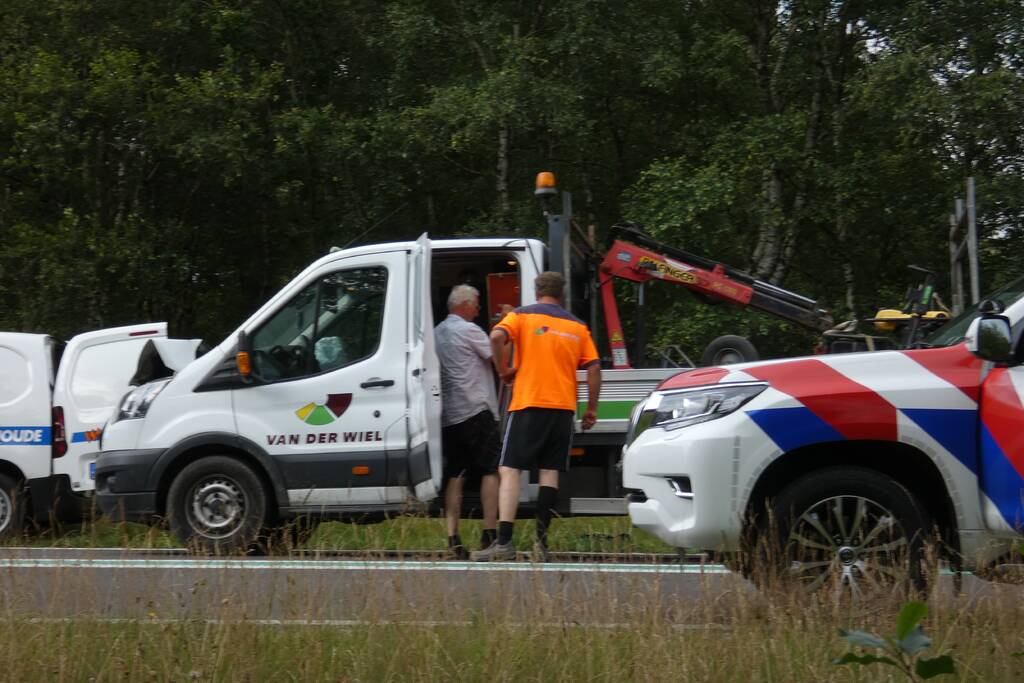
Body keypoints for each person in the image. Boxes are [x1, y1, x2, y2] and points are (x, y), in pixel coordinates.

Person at [471, 271, 601, 562]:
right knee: (548, 472)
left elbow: (495, 336)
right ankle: (541, 544)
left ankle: (504, 542)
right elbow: (593, 369)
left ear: (536, 290)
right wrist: (591, 408)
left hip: (529, 402)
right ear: (562, 293)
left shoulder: (521, 316)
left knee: (509, 470)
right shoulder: (577, 326)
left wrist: (503, 369)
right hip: (563, 408)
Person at [434, 284, 501, 559]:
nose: (479, 309)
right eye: (476, 304)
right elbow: (496, 357)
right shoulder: (470, 330)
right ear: (463, 304)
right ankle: (489, 533)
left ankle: (452, 538)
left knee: (456, 474)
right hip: (477, 409)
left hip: (449, 414)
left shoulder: (436, 333)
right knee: (489, 470)